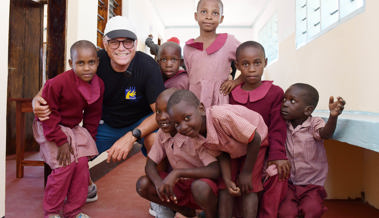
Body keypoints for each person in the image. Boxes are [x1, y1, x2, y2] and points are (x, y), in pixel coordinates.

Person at [33, 16, 165, 201]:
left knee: (157, 140)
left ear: (135, 43)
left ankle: (159, 196)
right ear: (104, 43)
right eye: (114, 42)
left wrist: (132, 136)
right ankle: (87, 188)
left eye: (127, 42)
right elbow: (58, 82)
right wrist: (36, 99)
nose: (121, 48)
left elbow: (160, 113)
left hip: (140, 123)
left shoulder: (148, 66)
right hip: (105, 123)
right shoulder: (95, 61)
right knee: (75, 152)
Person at [166, 89, 269, 218]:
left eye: (187, 118)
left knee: (248, 186)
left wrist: (247, 173)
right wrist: (227, 179)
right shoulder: (196, 137)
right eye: (177, 124)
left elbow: (255, 138)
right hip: (232, 148)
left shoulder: (220, 117)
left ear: (201, 109)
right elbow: (221, 153)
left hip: (255, 142)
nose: (183, 127)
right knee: (225, 187)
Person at [32, 40, 104, 218]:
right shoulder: (57, 83)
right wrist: (61, 141)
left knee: (81, 166)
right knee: (65, 166)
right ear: (71, 63)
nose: (87, 68)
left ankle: (73, 211)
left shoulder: (99, 84)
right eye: (80, 63)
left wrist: (89, 140)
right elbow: (48, 116)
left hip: (72, 128)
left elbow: (93, 116)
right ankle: (52, 211)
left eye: (91, 62)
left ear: (97, 62)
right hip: (50, 126)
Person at [136, 89, 219, 218]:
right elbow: (150, 165)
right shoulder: (163, 134)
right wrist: (159, 184)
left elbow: (214, 170)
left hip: (200, 187)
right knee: (143, 184)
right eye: (158, 112)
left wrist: (177, 173)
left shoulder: (192, 134)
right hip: (179, 186)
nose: (162, 117)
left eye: (167, 112)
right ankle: (185, 211)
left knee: (200, 187)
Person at [229, 41, 289, 217]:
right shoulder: (230, 94)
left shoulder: (275, 92)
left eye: (257, 63)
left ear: (265, 62)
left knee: (277, 172)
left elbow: (278, 127)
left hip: (264, 151)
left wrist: (277, 155)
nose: (252, 69)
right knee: (228, 183)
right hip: (236, 152)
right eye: (245, 64)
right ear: (238, 66)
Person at [278, 83, 345, 218]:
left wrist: (333, 116)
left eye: (292, 101)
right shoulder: (282, 124)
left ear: (307, 110)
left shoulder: (314, 123)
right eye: (284, 99)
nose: (285, 104)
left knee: (312, 210)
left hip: (312, 185)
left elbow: (325, 134)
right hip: (288, 183)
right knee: (285, 213)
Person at [183, 0, 242, 108]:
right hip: (195, 101)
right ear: (196, 16)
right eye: (204, 11)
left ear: (221, 19)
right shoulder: (188, 48)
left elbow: (248, 61)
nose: (209, 17)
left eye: (215, 13)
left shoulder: (229, 42)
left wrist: (236, 81)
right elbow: (189, 75)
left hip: (220, 100)